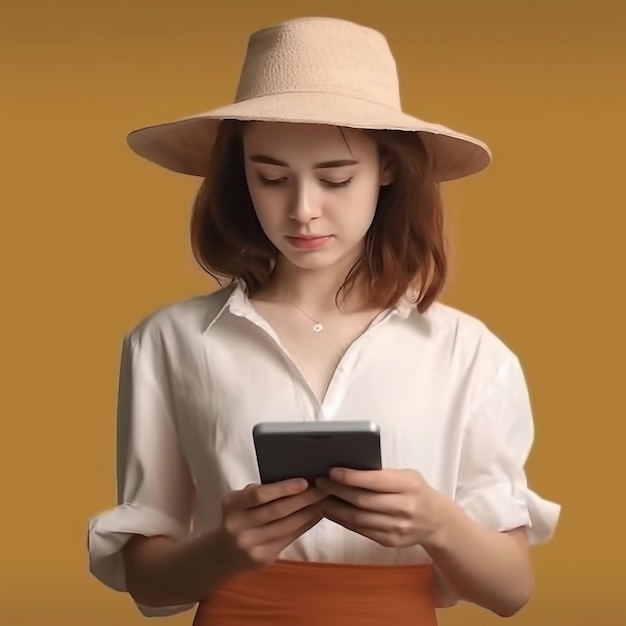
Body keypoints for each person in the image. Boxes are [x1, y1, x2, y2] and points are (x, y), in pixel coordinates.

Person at [87, 16, 561, 626]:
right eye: (271, 177)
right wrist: (226, 548)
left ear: (387, 169)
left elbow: (511, 589)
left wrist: (437, 522)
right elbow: (148, 580)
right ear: (241, 176)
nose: (303, 210)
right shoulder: (168, 342)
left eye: (336, 178)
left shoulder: (469, 354)